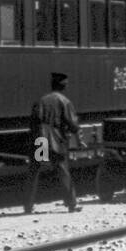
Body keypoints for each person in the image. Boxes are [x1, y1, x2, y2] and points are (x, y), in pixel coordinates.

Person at [24, 71, 80, 214]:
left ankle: (28, 205)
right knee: (62, 169)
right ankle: (71, 204)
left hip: (41, 138)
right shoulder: (65, 101)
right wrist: (76, 135)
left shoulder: (41, 100)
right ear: (64, 86)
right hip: (55, 139)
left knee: (34, 170)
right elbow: (73, 124)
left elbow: (33, 122)